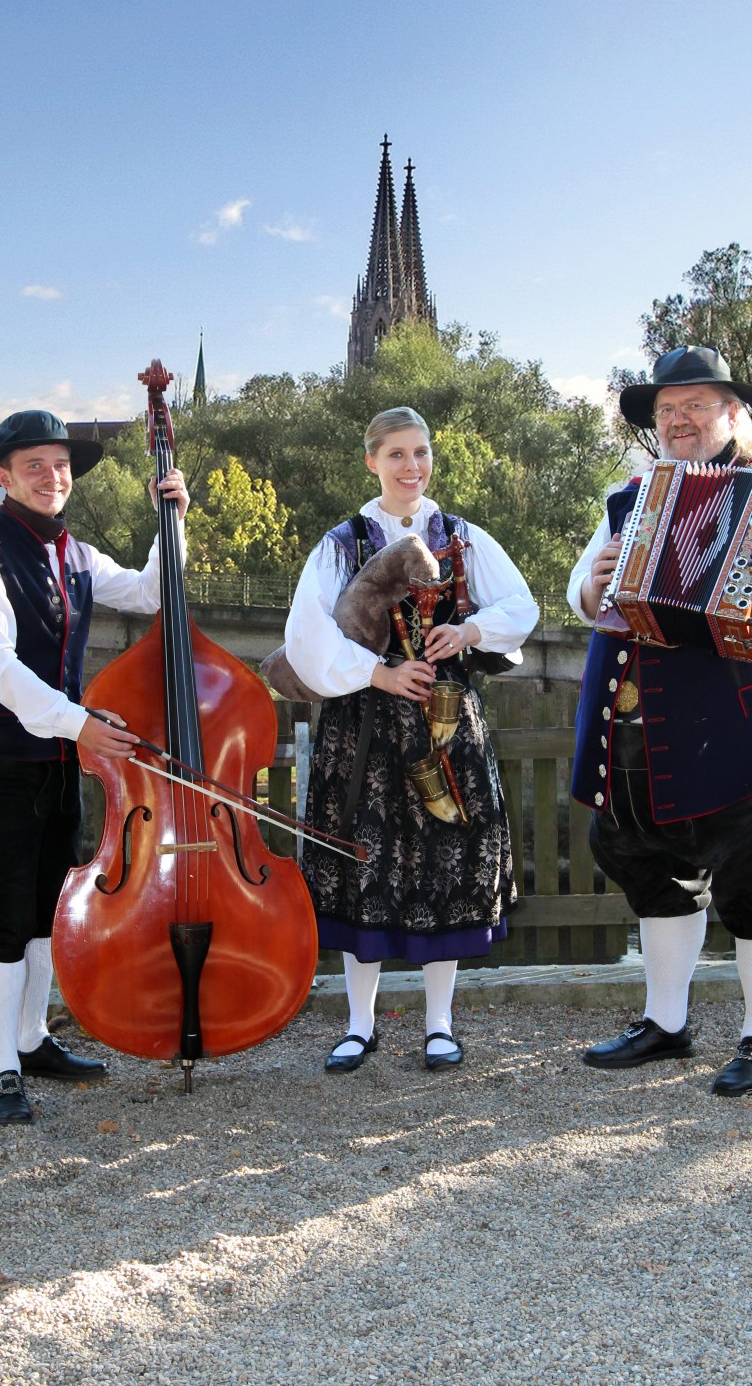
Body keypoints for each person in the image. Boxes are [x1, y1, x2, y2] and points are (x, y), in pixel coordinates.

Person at [568, 346, 752, 1095]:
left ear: (734, 412)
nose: (679, 420)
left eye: (696, 405)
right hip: (646, 727)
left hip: (746, 724)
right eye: (667, 410)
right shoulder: (629, 497)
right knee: (654, 870)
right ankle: (666, 1023)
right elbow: (581, 589)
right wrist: (592, 583)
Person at [0, 410, 189, 1125]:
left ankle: (32, 1037)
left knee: (52, 909)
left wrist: (170, 516)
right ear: (3, 476)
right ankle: (1, 1070)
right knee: (7, 918)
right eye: (35, 466)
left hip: (57, 759)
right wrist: (83, 721)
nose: (53, 478)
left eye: (61, 465)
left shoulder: (75, 555)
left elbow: (148, 592)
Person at [283, 407, 539, 1072]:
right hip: (364, 730)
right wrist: (377, 671)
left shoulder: (462, 536)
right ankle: (360, 1023)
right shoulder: (343, 542)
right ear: (371, 460)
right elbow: (306, 636)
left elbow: (521, 605)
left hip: (446, 723)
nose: (411, 466)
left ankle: (440, 1023)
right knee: (360, 862)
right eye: (396, 453)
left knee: (444, 862)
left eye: (420, 452)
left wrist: (468, 632)